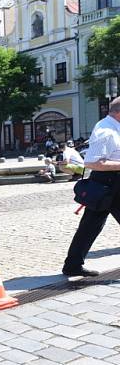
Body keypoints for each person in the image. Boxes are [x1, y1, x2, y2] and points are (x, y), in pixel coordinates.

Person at [62, 97, 120, 278]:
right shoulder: (106, 130)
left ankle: (72, 265)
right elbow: (92, 162)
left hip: (109, 183)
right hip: (109, 183)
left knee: (89, 227)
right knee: (89, 226)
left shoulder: (112, 127)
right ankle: (72, 265)